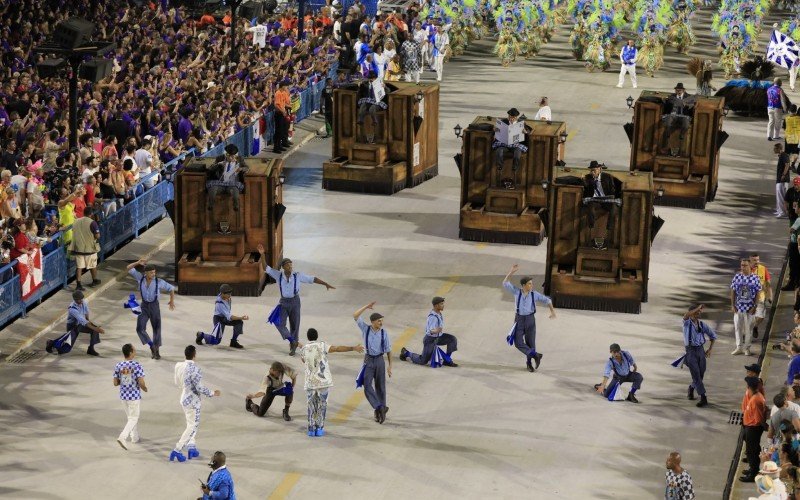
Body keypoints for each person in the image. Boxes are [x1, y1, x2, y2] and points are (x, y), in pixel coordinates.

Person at [258, 244, 335, 355]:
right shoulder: (278, 275)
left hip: (295, 302)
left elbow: (312, 279)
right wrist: (262, 254)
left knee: (295, 325)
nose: (290, 267)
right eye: (288, 265)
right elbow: (266, 268)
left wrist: (325, 284)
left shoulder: (297, 275)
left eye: (291, 265)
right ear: (283, 267)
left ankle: (293, 347)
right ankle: (292, 340)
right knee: (279, 322)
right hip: (284, 302)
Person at [299, 328, 364, 437]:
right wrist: (353, 348)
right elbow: (337, 348)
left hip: (310, 383)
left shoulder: (304, 349)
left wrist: (303, 348)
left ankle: (311, 428)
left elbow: (304, 360)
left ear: (308, 337)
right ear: (316, 336)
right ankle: (319, 428)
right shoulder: (322, 345)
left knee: (311, 405)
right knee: (322, 404)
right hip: (323, 382)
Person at [171, 345, 220, 463]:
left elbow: (177, 382)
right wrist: (213, 393)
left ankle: (191, 447)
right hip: (193, 402)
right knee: (192, 426)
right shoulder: (195, 369)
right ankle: (177, 450)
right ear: (194, 355)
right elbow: (200, 388)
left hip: (184, 398)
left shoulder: (178, 365)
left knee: (191, 423)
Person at [502, 264, 556, 372]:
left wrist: (552, 311)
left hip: (530, 320)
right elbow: (505, 283)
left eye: (531, 284)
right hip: (519, 319)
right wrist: (511, 271)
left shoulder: (534, 294)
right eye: (529, 284)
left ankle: (529, 363)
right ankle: (536, 355)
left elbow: (547, 300)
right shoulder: (517, 292)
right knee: (518, 342)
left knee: (531, 342)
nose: (531, 286)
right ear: (523, 285)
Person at [127, 259, 176, 360]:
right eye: (151, 272)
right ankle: (151, 346)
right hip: (144, 306)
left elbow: (171, 288)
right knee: (140, 328)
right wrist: (137, 263)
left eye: (154, 272)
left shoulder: (159, 281)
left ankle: (156, 351)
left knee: (156, 329)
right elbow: (128, 268)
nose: (153, 274)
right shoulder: (140, 278)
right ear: (146, 273)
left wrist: (172, 301)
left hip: (154, 306)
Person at [353, 302, 392, 424]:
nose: (381, 323)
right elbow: (355, 316)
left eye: (381, 320)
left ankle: (380, 412)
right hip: (368, 360)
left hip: (380, 360)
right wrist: (365, 307)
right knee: (367, 384)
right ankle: (379, 407)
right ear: (373, 322)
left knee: (381, 387)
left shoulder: (384, 333)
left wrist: (390, 366)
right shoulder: (365, 329)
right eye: (379, 321)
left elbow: (388, 350)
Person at [400, 296, 459, 368]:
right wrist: (436, 330)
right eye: (441, 304)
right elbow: (430, 330)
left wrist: (438, 331)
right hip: (430, 340)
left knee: (452, 339)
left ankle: (447, 360)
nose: (443, 305)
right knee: (423, 361)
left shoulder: (439, 313)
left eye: (443, 303)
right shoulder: (433, 317)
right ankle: (406, 353)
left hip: (438, 337)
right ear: (436, 305)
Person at [45, 290, 105, 356]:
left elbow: (86, 312)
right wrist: (95, 328)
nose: (81, 301)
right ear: (75, 299)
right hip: (73, 326)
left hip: (80, 324)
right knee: (66, 349)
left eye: (82, 299)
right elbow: (82, 320)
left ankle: (91, 349)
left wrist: (91, 324)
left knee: (94, 330)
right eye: (79, 299)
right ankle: (51, 343)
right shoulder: (72, 309)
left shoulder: (83, 301)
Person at [113, 343, 147, 450]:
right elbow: (141, 382)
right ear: (131, 352)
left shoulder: (118, 366)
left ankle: (134, 437)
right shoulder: (137, 366)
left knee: (130, 417)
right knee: (134, 418)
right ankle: (122, 437)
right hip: (134, 396)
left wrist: (124, 379)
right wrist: (145, 388)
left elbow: (115, 383)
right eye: (135, 350)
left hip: (123, 396)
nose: (135, 351)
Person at [682, 304, 716, 408]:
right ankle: (703, 397)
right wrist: (697, 308)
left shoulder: (702, 325)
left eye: (699, 312)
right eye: (696, 312)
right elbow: (686, 315)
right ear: (692, 313)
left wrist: (710, 349)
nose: (699, 313)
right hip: (690, 351)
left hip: (700, 350)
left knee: (700, 374)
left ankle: (691, 388)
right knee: (696, 375)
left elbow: (713, 336)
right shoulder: (687, 323)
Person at [196, 284, 249, 348]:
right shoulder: (219, 304)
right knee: (216, 341)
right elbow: (230, 317)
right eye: (228, 294)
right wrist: (241, 317)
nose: (230, 295)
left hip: (224, 317)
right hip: (219, 320)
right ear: (223, 294)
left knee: (239, 322)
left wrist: (239, 319)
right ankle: (201, 335)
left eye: (230, 293)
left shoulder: (225, 296)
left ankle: (233, 342)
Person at [582, 160, 618, 248]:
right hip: (594, 200)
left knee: (614, 207)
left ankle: (609, 227)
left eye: (594, 170)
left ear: (599, 169)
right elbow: (586, 189)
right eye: (591, 170)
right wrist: (584, 180)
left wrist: (610, 197)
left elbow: (613, 190)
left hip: (606, 199)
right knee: (590, 207)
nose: (592, 172)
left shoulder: (608, 177)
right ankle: (591, 226)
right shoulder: (588, 177)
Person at [730, 258, 762, 356]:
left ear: (750, 266)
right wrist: (732, 305)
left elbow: (758, 293)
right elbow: (733, 291)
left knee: (749, 329)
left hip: (750, 308)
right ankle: (739, 347)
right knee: (738, 328)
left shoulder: (755, 278)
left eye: (745, 265)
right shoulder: (737, 277)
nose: (743, 267)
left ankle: (747, 348)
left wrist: (755, 306)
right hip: (738, 308)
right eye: (742, 265)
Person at [493, 108, 530, 186]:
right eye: (510, 117)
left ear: (516, 117)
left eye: (513, 117)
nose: (511, 119)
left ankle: (515, 168)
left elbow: (528, 132)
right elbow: (496, 130)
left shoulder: (521, 123)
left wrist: (525, 132)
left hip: (516, 144)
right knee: (499, 151)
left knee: (517, 153)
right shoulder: (503, 122)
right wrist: (495, 130)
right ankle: (500, 166)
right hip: (505, 144)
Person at [206, 144, 248, 214]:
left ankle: (236, 206)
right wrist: (218, 164)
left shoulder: (239, 159)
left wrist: (241, 169)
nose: (232, 158)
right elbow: (210, 168)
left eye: (234, 156)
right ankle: (211, 205)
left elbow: (247, 168)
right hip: (220, 183)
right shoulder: (220, 158)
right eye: (230, 156)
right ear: (226, 155)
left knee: (234, 191)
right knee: (213, 189)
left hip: (233, 183)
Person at [741, 376, 767, 483]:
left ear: (749, 386)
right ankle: (753, 469)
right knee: (753, 449)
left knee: (752, 451)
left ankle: (753, 473)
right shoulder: (755, 396)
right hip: (750, 427)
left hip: (753, 428)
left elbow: (759, 419)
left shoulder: (756, 400)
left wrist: (766, 427)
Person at [70, 206, 101, 291]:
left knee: (79, 267)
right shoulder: (93, 223)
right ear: (91, 214)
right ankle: (94, 280)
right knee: (92, 265)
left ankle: (78, 285)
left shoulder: (76, 221)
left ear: (84, 213)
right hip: (89, 249)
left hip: (78, 248)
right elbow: (97, 235)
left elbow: (73, 231)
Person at [356, 71, 388, 144]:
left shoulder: (380, 83)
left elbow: (388, 91)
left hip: (377, 102)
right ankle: (360, 120)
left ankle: (374, 121)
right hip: (368, 100)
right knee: (363, 107)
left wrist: (384, 87)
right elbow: (360, 92)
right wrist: (359, 86)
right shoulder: (365, 84)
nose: (371, 80)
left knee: (372, 109)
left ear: (375, 78)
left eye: (373, 78)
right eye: (370, 78)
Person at [750, 253, 773, 339]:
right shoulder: (746, 269)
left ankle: (755, 327)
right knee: (747, 317)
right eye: (754, 260)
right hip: (749, 298)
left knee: (761, 316)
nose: (757, 262)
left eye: (758, 260)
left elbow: (768, 284)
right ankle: (747, 333)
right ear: (750, 260)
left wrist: (770, 296)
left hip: (760, 297)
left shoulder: (763, 269)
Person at [273, 81, 292, 154]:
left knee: (283, 129)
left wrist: (288, 106)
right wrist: (282, 111)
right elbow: (276, 105)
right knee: (278, 131)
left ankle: (280, 145)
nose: (287, 88)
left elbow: (284, 103)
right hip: (279, 114)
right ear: (282, 86)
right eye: (286, 86)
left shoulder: (284, 93)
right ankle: (276, 147)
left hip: (283, 113)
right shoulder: (278, 93)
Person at [776, 143, 792, 218]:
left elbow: (787, 164)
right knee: (779, 196)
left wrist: (783, 175)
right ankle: (780, 210)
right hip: (780, 180)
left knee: (782, 197)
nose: (773, 150)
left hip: (783, 180)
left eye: (775, 148)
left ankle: (783, 213)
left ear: (779, 148)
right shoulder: (781, 156)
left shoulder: (784, 155)